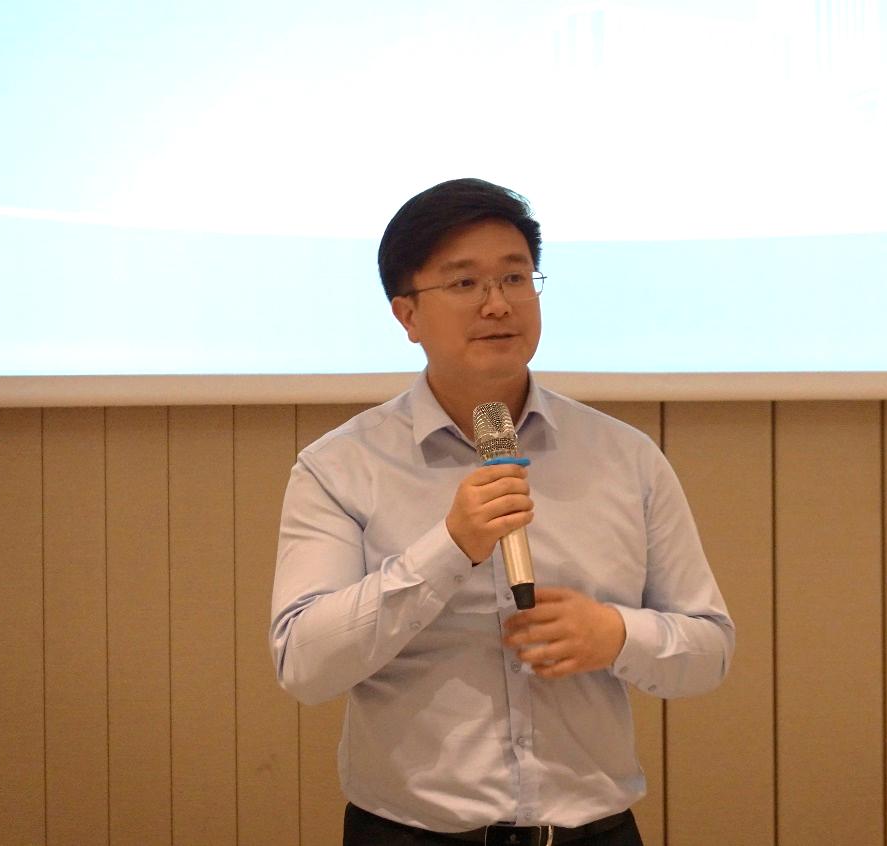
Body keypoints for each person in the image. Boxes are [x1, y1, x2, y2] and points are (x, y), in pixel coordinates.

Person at [270, 178, 734, 845]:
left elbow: (709, 649)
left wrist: (615, 635)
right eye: (464, 283)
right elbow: (304, 666)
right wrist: (449, 547)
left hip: (593, 832)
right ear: (406, 315)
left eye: (515, 277)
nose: (497, 304)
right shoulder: (340, 467)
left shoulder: (624, 458)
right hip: (410, 833)